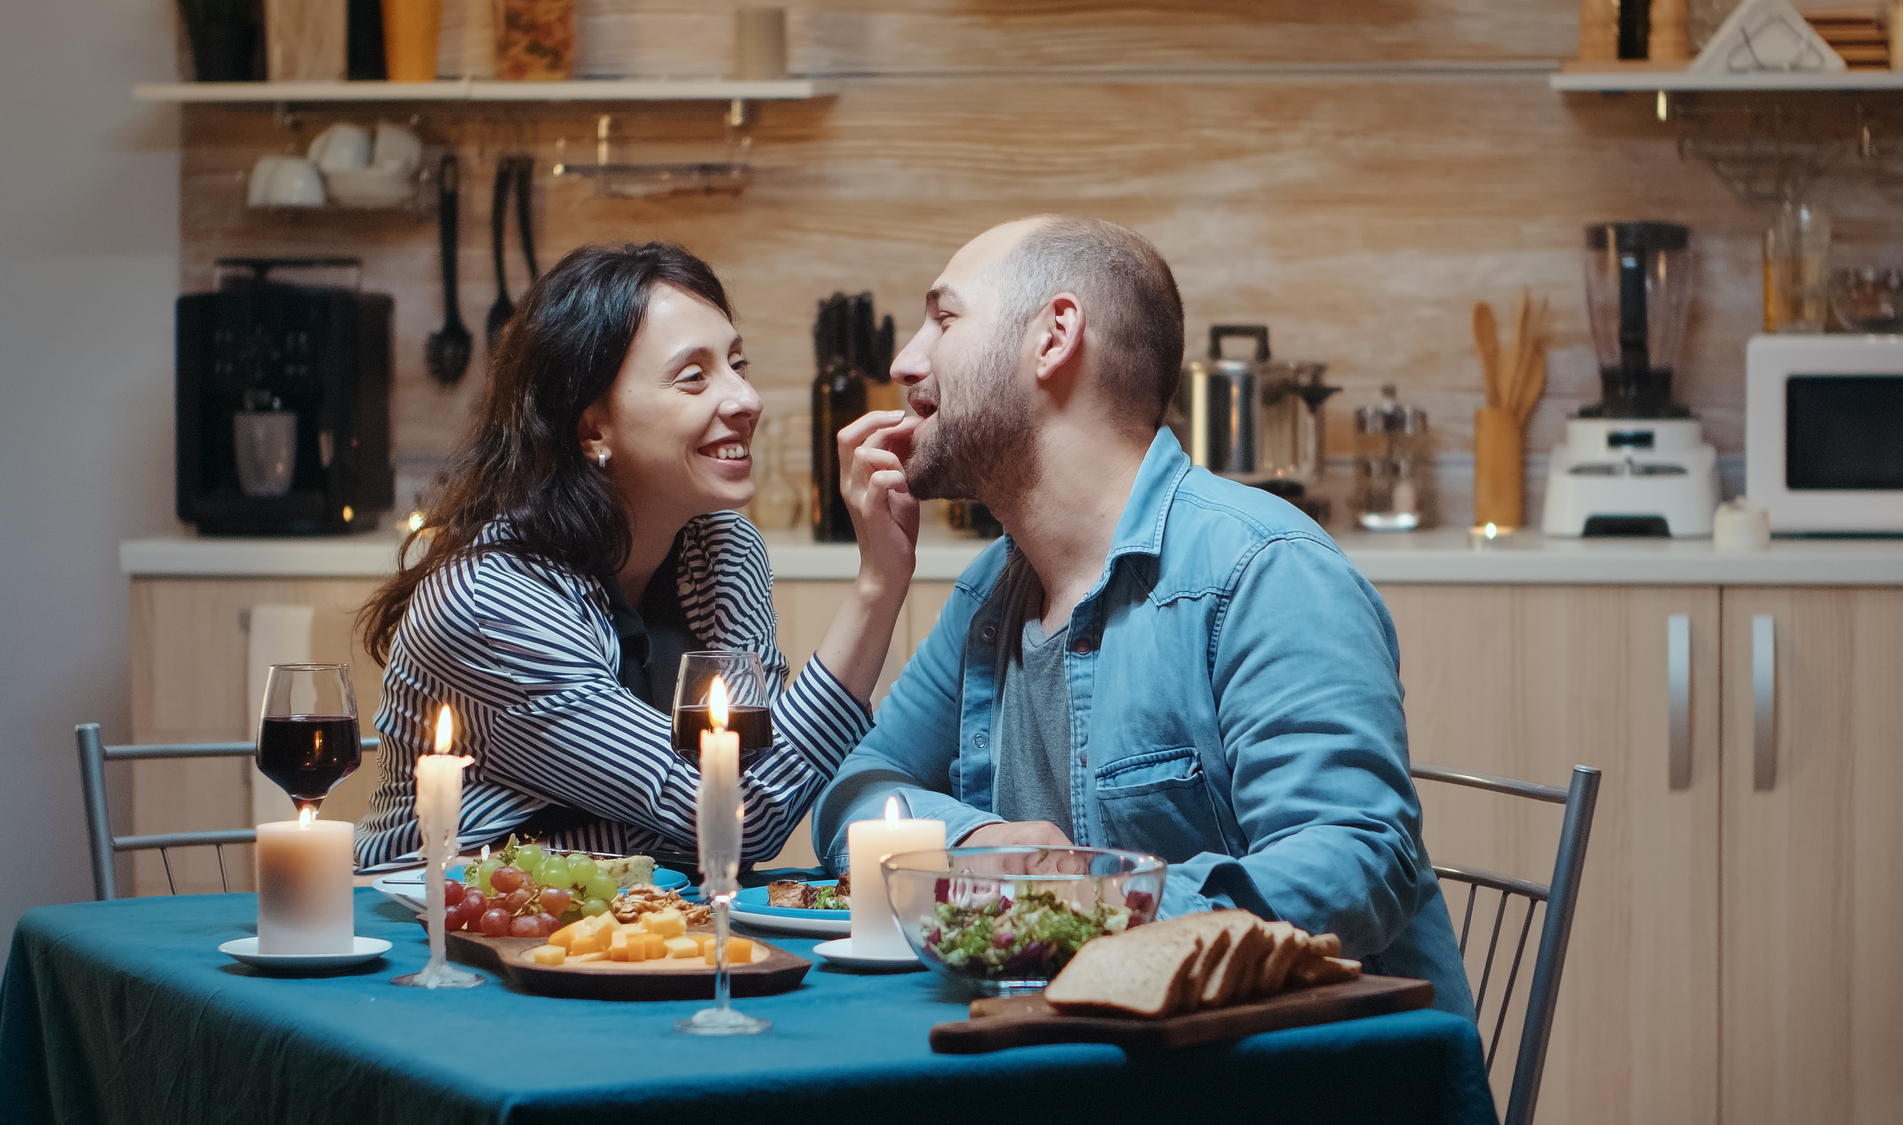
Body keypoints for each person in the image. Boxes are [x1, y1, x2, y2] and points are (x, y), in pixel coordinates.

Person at [812, 216, 1476, 1018]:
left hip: (1293, 1077)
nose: (905, 359)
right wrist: (982, 846)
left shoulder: (1261, 570)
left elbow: (1357, 866)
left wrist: (1088, 903)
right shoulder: (993, 593)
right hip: (1095, 1065)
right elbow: (853, 790)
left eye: (944, 319)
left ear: (1055, 336)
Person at [355, 242, 919, 870]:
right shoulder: (492, 601)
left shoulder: (723, 550)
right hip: (445, 938)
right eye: (694, 376)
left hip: (633, 936)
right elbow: (739, 813)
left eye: (738, 364)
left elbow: (739, 797)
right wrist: (878, 586)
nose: (746, 400)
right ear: (593, 428)